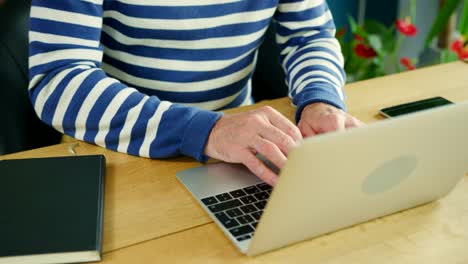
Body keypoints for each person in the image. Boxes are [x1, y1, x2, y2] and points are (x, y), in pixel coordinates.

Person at [29, 0, 364, 186]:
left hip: (238, 151)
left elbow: (309, 37)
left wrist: (320, 100)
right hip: (117, 152)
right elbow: (58, 81)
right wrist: (207, 131)